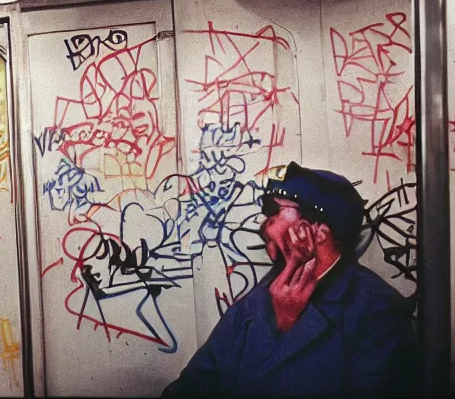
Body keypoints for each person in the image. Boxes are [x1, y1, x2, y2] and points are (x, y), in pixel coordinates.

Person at [163, 161, 417, 398]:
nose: (264, 224)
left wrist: (286, 329)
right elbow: (195, 382)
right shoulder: (263, 293)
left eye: (274, 211)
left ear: (317, 229)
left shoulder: (378, 312)